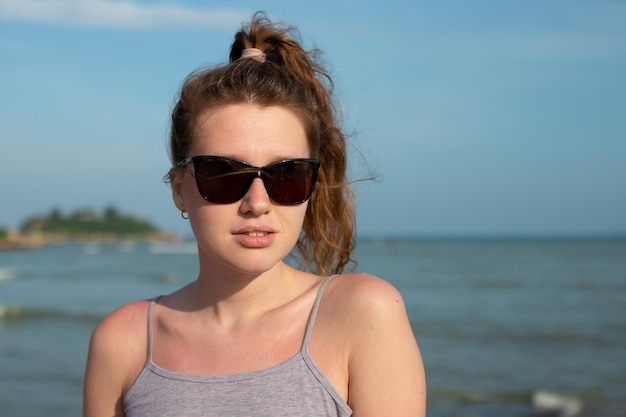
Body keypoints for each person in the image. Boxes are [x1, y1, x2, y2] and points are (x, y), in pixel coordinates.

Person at [83, 13, 426, 417]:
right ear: (179, 189)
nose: (257, 202)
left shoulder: (362, 313)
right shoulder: (123, 342)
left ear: (312, 186)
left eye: (287, 175)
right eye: (225, 174)